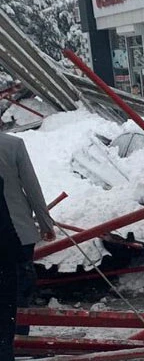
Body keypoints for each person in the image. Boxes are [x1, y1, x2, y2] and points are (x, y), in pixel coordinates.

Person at [0, 134, 56, 358]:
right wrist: (45, 223)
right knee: (19, 287)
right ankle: (18, 336)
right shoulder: (13, 145)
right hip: (18, 230)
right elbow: (31, 186)